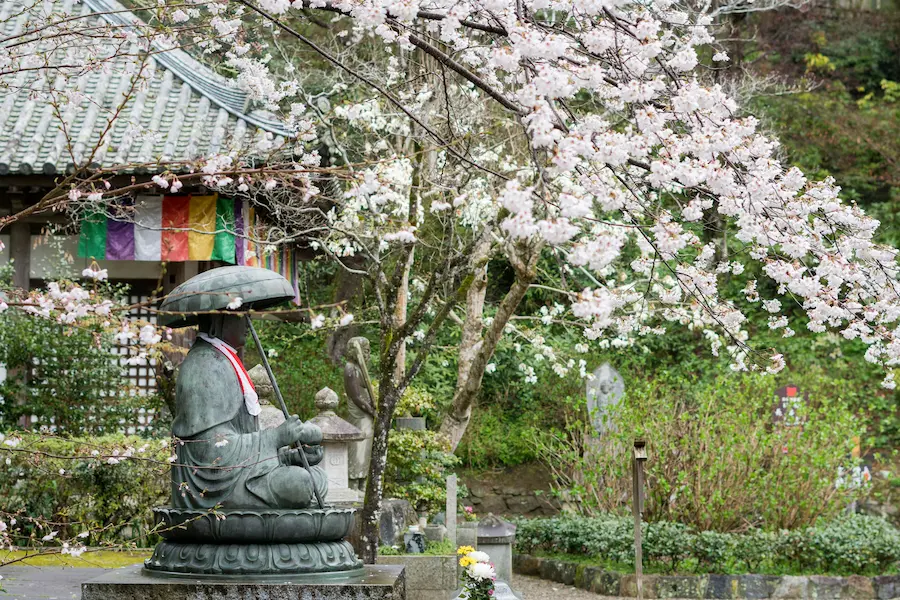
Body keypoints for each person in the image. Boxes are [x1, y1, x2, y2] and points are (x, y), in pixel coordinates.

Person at [171, 313, 327, 509]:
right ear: (218, 321)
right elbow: (210, 452)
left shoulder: (223, 360)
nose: (247, 323)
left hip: (241, 472)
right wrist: (274, 438)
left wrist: (288, 456)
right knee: (300, 483)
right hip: (217, 486)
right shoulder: (204, 365)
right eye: (240, 316)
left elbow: (242, 438)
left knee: (317, 477)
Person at [343, 337, 375, 492]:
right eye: (366, 351)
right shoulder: (350, 368)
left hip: (366, 414)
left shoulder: (360, 368)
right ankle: (354, 484)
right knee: (358, 448)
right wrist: (371, 410)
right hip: (359, 414)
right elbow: (356, 396)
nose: (368, 354)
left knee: (366, 449)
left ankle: (363, 484)